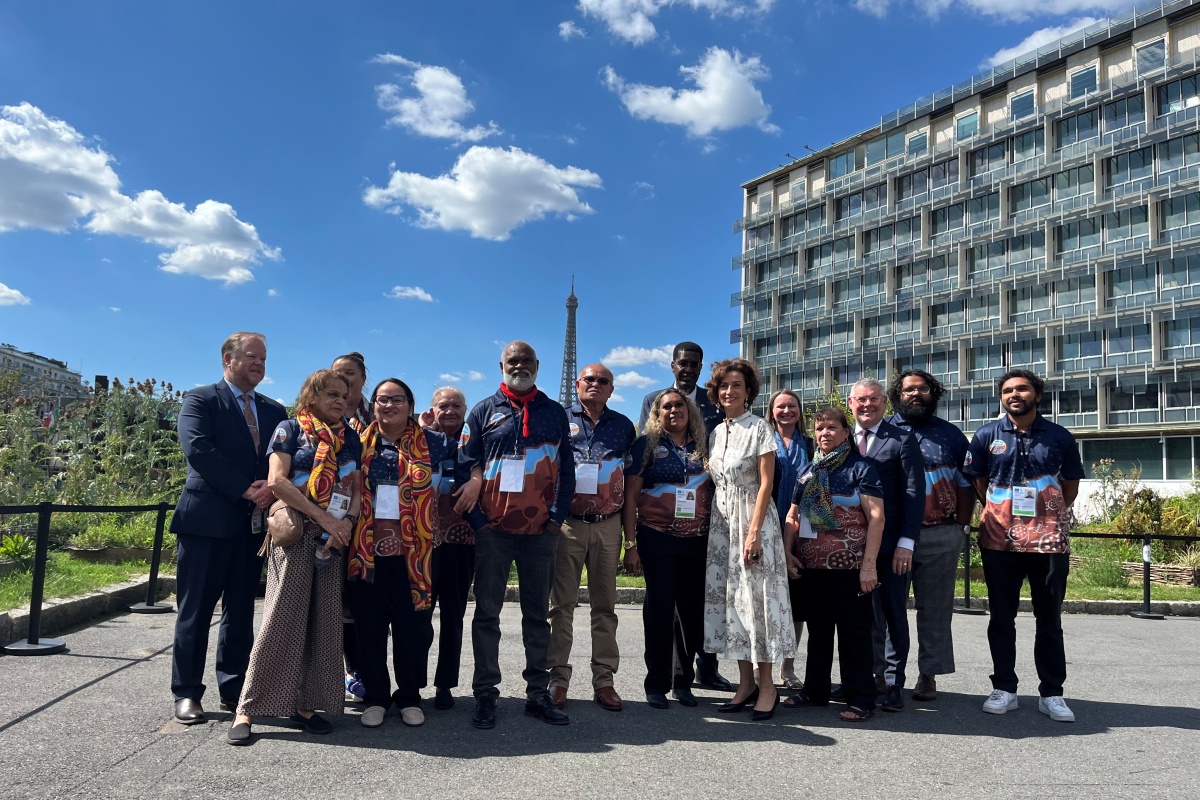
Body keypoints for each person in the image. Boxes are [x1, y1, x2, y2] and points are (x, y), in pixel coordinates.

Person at [228, 369, 362, 745]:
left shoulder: (349, 437)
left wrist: (347, 522)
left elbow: (354, 488)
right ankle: (247, 708)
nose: (340, 400)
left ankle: (305, 706)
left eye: (344, 394)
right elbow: (278, 482)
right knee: (280, 620)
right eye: (332, 394)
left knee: (322, 626)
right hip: (298, 534)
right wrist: (323, 518)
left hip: (332, 541)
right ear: (312, 395)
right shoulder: (290, 428)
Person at [456, 341, 575, 729]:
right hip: (494, 531)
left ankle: (536, 693)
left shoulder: (555, 413)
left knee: (537, 616)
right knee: (487, 614)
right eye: (513, 361)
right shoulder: (483, 411)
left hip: (541, 532)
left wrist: (556, 520)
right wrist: (479, 524)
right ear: (501, 365)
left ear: (537, 366)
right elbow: (465, 465)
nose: (519, 366)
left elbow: (568, 471)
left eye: (526, 361)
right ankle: (486, 692)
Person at [170, 332, 287, 725]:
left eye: (264, 359)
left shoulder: (274, 410)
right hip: (205, 524)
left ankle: (235, 690)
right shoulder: (201, 399)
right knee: (196, 611)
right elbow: (198, 449)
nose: (259, 364)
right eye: (252, 356)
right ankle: (186, 693)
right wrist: (244, 489)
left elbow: (279, 457)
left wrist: (268, 489)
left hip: (251, 527)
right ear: (228, 359)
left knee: (240, 612)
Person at [962, 369, 1083, 723]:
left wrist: (1046, 515)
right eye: (1008, 390)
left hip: (1049, 542)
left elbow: (1070, 486)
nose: (1015, 394)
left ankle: (1052, 693)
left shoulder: (1059, 436)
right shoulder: (986, 435)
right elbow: (979, 483)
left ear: (1037, 395)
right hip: (999, 540)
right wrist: (1003, 512)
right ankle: (1004, 688)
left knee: (1049, 619)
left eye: (1022, 389)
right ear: (1001, 397)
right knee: (1001, 617)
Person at [703, 358, 794, 722]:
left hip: (754, 523)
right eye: (724, 386)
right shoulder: (714, 432)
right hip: (722, 525)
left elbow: (767, 483)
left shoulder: (759, 428)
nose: (729, 391)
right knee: (732, 604)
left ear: (748, 391)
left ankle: (767, 683)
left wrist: (754, 532)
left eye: (736, 385)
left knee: (759, 602)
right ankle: (745, 683)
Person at [637, 341, 730, 692]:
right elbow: (645, 451)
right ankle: (661, 679)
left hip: (702, 522)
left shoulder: (712, 401)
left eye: (694, 363)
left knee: (699, 602)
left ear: (700, 366)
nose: (688, 368)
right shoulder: (653, 398)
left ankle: (704, 668)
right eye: (683, 363)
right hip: (659, 526)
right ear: (672, 365)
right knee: (661, 605)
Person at [345, 378, 437, 729]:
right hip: (365, 550)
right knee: (368, 626)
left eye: (397, 399)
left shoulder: (433, 442)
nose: (389, 406)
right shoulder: (355, 443)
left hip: (415, 554)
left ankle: (410, 696)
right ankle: (377, 697)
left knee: (412, 627)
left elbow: (462, 472)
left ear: (410, 405)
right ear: (374, 406)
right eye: (382, 400)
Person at [782, 406, 884, 722]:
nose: (825, 433)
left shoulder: (861, 468)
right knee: (819, 632)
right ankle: (816, 690)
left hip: (850, 568)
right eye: (820, 428)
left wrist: (869, 566)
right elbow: (792, 516)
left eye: (831, 428)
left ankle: (862, 698)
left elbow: (877, 518)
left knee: (854, 634)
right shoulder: (809, 472)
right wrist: (787, 552)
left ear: (845, 432)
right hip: (812, 568)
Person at [548, 364, 636, 712]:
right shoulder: (558, 418)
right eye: (590, 380)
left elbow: (631, 484)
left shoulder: (623, 426)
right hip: (568, 522)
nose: (596, 385)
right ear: (577, 384)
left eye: (603, 381)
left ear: (611, 389)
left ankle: (605, 680)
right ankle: (558, 679)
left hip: (608, 524)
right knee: (561, 605)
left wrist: (631, 540)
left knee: (605, 606)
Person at [886, 370, 974, 703]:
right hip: (893, 538)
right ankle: (885, 674)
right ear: (898, 394)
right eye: (909, 389)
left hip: (940, 534)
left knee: (935, 609)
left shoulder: (951, 436)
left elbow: (967, 484)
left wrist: (961, 527)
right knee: (887, 609)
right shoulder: (885, 431)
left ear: (932, 394)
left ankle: (929, 675)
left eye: (922, 389)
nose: (915, 394)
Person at [621, 389, 712, 709]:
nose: (674, 410)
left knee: (690, 613)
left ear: (690, 411)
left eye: (679, 405)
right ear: (657, 414)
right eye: (666, 406)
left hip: (697, 540)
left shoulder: (705, 445)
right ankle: (656, 683)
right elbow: (630, 497)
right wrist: (630, 545)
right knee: (659, 610)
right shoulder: (645, 446)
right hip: (657, 538)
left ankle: (683, 682)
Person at [846, 377, 924, 713]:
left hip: (892, 546)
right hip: (850, 547)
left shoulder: (902, 440)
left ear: (884, 403)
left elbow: (913, 494)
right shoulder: (841, 438)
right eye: (860, 400)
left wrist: (907, 542)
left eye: (874, 399)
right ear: (851, 403)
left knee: (894, 615)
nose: (867, 405)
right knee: (858, 617)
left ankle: (894, 683)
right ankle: (864, 678)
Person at [420, 385, 475, 710]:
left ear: (464, 410)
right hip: (424, 542)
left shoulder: (472, 444)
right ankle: (413, 682)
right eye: (443, 405)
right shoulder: (420, 440)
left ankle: (445, 685)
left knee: (453, 616)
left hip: (461, 540)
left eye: (456, 405)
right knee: (419, 616)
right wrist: (424, 430)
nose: (450, 411)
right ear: (433, 409)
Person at [766, 389, 814, 691]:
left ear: (800, 410)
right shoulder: (762, 442)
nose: (786, 411)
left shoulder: (811, 445)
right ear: (771, 411)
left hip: (804, 530)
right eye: (780, 407)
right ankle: (765, 666)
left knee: (798, 604)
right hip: (768, 527)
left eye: (792, 406)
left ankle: (787, 667)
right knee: (768, 602)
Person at [331, 351, 370, 704]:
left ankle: (362, 669)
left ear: (363, 377)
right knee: (331, 600)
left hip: (370, 524)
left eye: (350, 374)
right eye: (337, 375)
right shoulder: (320, 416)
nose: (344, 380)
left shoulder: (380, 414)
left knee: (362, 600)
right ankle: (336, 671)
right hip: (325, 522)